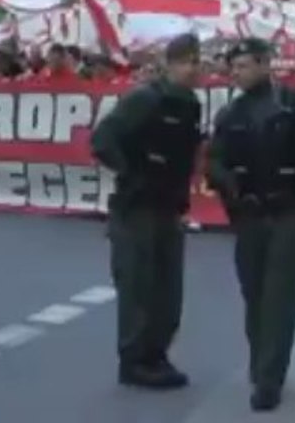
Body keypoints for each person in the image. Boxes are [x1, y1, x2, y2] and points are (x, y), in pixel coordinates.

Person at [205, 38, 295, 412]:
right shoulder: (231, 114)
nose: (237, 73)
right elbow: (214, 160)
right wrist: (226, 180)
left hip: (290, 212)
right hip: (249, 215)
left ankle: (269, 378)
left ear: (265, 64)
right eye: (234, 67)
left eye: (244, 65)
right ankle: (262, 361)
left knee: (279, 298)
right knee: (254, 296)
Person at [91, 33, 205, 390]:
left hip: (168, 206)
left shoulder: (189, 105)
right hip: (137, 207)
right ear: (170, 64)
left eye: (198, 61)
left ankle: (156, 354)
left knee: (168, 290)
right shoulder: (144, 99)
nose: (194, 69)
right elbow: (103, 140)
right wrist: (132, 173)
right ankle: (135, 360)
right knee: (139, 287)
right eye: (187, 61)